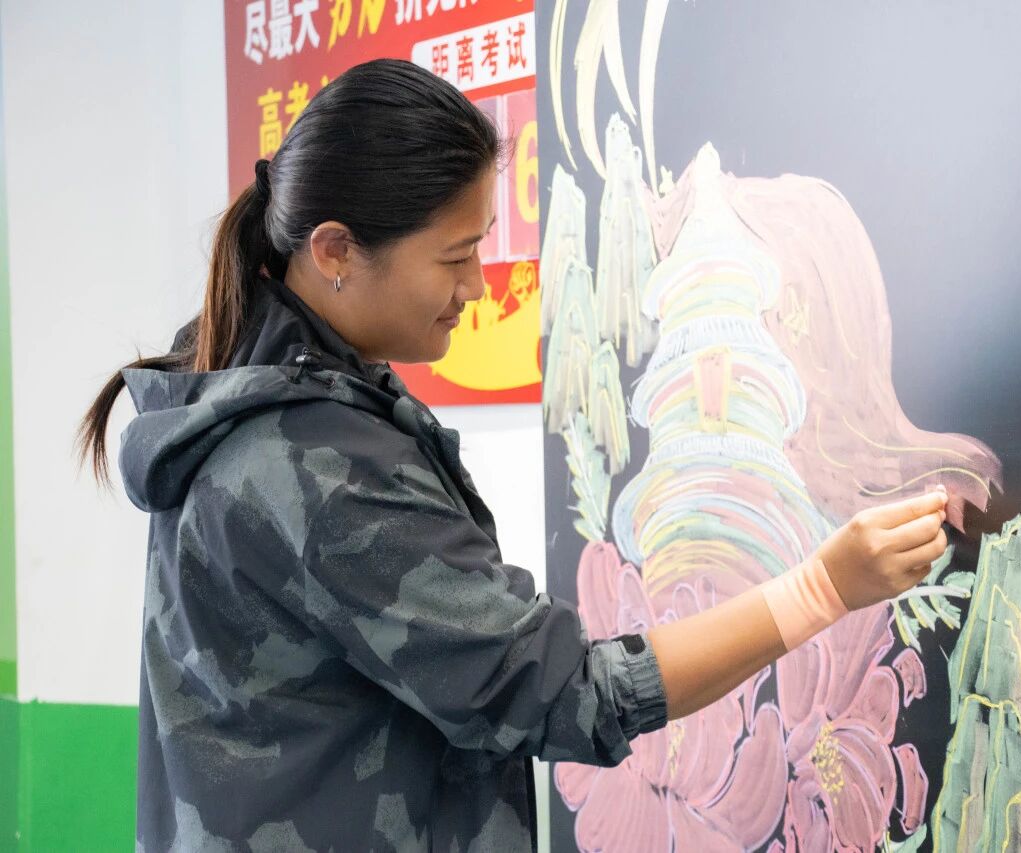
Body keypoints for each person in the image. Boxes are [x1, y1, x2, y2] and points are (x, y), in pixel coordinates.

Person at [77, 58, 949, 853]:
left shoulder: (252, 389)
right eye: (455, 256)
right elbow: (564, 692)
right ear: (336, 250)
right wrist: (821, 588)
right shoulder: (311, 464)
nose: (476, 286)